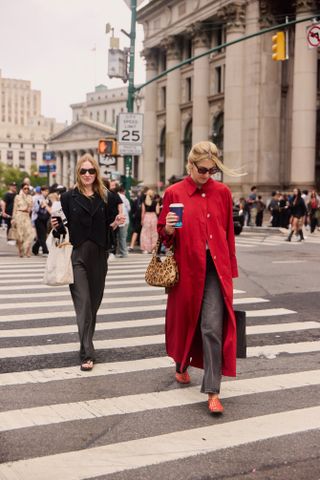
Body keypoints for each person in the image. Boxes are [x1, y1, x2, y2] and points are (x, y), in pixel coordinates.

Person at [157, 141, 240, 414]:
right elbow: (163, 239)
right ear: (190, 165)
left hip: (216, 268)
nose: (207, 174)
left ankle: (213, 390)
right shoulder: (174, 193)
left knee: (212, 327)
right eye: (203, 169)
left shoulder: (223, 193)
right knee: (185, 321)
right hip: (186, 268)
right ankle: (181, 363)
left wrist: (231, 270)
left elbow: (228, 233)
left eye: (213, 170)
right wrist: (167, 229)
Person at [51, 154, 125, 371]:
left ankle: (86, 342)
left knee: (93, 305)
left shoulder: (108, 197)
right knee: (83, 304)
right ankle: (86, 353)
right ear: (78, 173)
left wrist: (116, 223)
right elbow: (61, 229)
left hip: (100, 255)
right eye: (83, 171)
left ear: (96, 173)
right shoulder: (67, 198)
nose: (87, 175)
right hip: (77, 255)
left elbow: (111, 225)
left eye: (91, 171)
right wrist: (56, 226)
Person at [11, 183, 34, 257]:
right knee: (19, 235)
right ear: (22, 189)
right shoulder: (17, 197)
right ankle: (20, 250)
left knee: (29, 234)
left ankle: (27, 251)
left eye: (28, 188)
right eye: (25, 188)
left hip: (26, 216)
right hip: (19, 215)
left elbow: (31, 207)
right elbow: (14, 208)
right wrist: (13, 218)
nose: (26, 190)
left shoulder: (30, 197)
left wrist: (29, 208)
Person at [32, 185, 51, 256]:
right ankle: (45, 250)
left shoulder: (48, 198)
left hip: (45, 219)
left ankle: (35, 248)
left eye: (47, 191)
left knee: (42, 236)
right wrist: (41, 205)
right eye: (45, 191)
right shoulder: (37, 198)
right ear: (42, 191)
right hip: (38, 218)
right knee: (42, 235)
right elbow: (35, 209)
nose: (46, 192)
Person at [140, 189, 160, 253]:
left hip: (146, 217)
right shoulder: (156, 202)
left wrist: (142, 220)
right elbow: (157, 212)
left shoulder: (144, 202)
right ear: (153, 195)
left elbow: (143, 212)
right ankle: (153, 249)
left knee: (145, 234)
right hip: (154, 217)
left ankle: (146, 249)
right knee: (154, 234)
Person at [118, 185, 131, 257]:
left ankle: (123, 252)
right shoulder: (124, 198)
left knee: (120, 237)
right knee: (123, 237)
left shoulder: (117, 196)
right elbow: (129, 208)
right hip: (125, 219)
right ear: (123, 191)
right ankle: (123, 252)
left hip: (119, 219)